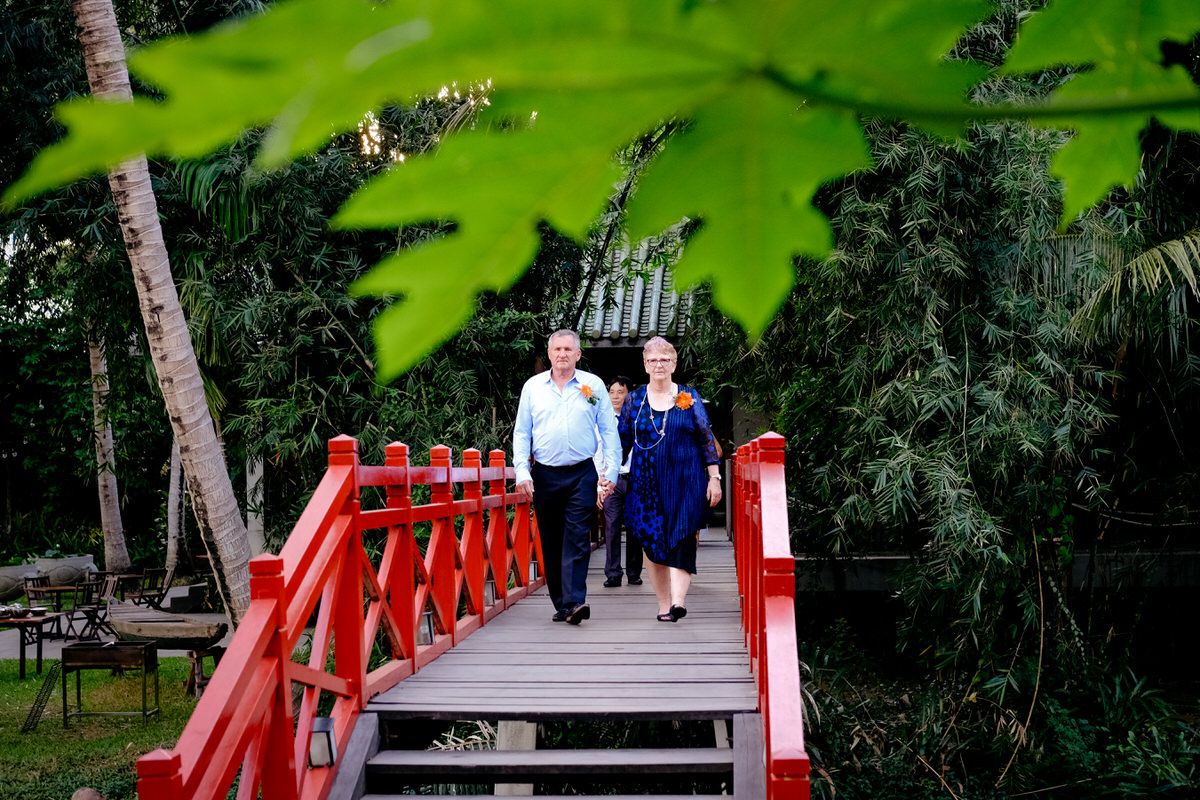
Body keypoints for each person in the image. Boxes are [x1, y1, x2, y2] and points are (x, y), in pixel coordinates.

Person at [513, 329, 621, 625]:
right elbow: (522, 432)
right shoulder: (533, 387)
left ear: (578, 354)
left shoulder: (592, 384)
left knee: (576, 536)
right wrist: (522, 471)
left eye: (567, 349)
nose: (562, 354)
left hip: (581, 472)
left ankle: (575, 601)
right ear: (549, 354)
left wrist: (610, 471)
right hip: (545, 473)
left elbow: (609, 431)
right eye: (557, 349)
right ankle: (561, 602)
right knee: (551, 539)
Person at [619, 337, 721, 622]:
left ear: (674, 363)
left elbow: (705, 440)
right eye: (652, 360)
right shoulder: (634, 400)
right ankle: (664, 604)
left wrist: (714, 478)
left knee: (683, 537)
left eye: (664, 359)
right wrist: (606, 476)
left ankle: (678, 601)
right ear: (645, 364)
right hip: (645, 485)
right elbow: (622, 441)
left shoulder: (688, 396)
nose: (658, 365)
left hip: (686, 482)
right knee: (651, 543)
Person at [597, 376, 643, 588]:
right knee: (612, 527)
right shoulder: (601, 422)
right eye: (612, 392)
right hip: (609, 481)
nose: (615, 397)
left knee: (635, 527)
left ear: (629, 396)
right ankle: (613, 573)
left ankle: (634, 572)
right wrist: (599, 482)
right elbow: (596, 454)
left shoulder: (638, 421)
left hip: (634, 479)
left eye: (620, 392)